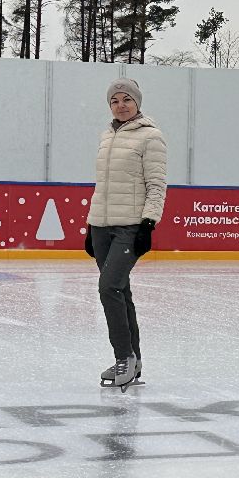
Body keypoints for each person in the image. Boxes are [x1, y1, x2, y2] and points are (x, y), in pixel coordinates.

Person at [85, 78, 166, 389]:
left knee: (109, 288)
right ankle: (135, 360)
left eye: (126, 99)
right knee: (121, 291)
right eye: (115, 100)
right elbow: (102, 187)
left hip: (130, 225)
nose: (121, 105)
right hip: (102, 226)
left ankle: (124, 358)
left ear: (137, 103)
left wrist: (148, 224)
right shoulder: (107, 136)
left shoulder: (151, 137)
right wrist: (91, 225)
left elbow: (156, 186)